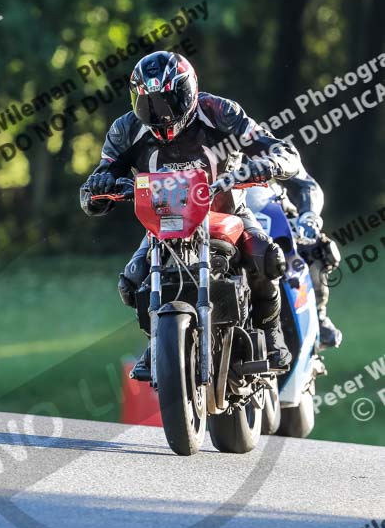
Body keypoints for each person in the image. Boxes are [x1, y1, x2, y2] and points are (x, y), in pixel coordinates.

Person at [80, 50, 302, 379]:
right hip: (165, 221)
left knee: (266, 256)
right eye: (150, 103)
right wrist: (100, 189)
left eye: (169, 100)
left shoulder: (220, 112)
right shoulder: (126, 129)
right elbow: (94, 187)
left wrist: (271, 162)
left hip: (228, 211)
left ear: (190, 90)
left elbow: (281, 151)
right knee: (131, 282)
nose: (161, 113)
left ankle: (270, 333)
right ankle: (161, 341)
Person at [270, 169, 342, 349]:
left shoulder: (252, 144)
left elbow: (306, 183)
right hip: (215, 218)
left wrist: (308, 217)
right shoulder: (195, 147)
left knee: (318, 248)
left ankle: (318, 315)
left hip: (273, 214)